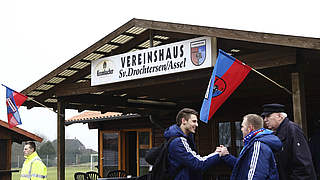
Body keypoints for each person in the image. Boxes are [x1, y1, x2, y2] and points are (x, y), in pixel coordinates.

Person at [218, 114, 282, 179]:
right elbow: (244, 167)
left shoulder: (258, 145)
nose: (241, 129)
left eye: (242, 126)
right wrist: (226, 156)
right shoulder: (253, 142)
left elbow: (257, 174)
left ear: (250, 128)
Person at [261, 103, 316, 180]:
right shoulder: (277, 133)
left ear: (279, 116)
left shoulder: (293, 130)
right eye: (264, 117)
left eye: (268, 116)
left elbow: (303, 164)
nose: (265, 120)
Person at [164, 108, 220, 180]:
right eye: (194, 121)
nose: (196, 125)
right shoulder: (178, 142)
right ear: (183, 121)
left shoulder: (185, 138)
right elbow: (198, 163)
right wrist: (218, 154)